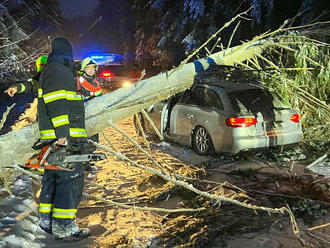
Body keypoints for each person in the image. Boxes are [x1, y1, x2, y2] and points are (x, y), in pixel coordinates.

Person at [37, 37, 90, 241]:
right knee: (71, 182)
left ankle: (47, 221)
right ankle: (64, 226)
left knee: (53, 180)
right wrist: (63, 134)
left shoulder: (53, 69)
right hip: (67, 139)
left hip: (57, 139)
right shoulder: (59, 70)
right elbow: (57, 102)